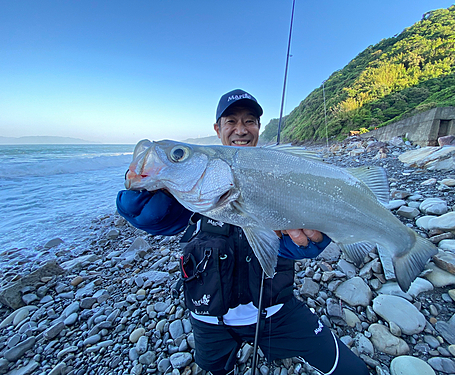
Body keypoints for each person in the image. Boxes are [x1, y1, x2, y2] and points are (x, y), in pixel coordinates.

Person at [116, 89, 370, 375]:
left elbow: (284, 245)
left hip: (276, 312)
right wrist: (138, 197)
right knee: (215, 368)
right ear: (218, 128)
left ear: (259, 128)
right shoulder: (185, 195)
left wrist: (306, 244)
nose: (241, 129)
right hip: (208, 318)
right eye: (231, 122)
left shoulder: (281, 172)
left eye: (250, 121)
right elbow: (154, 218)